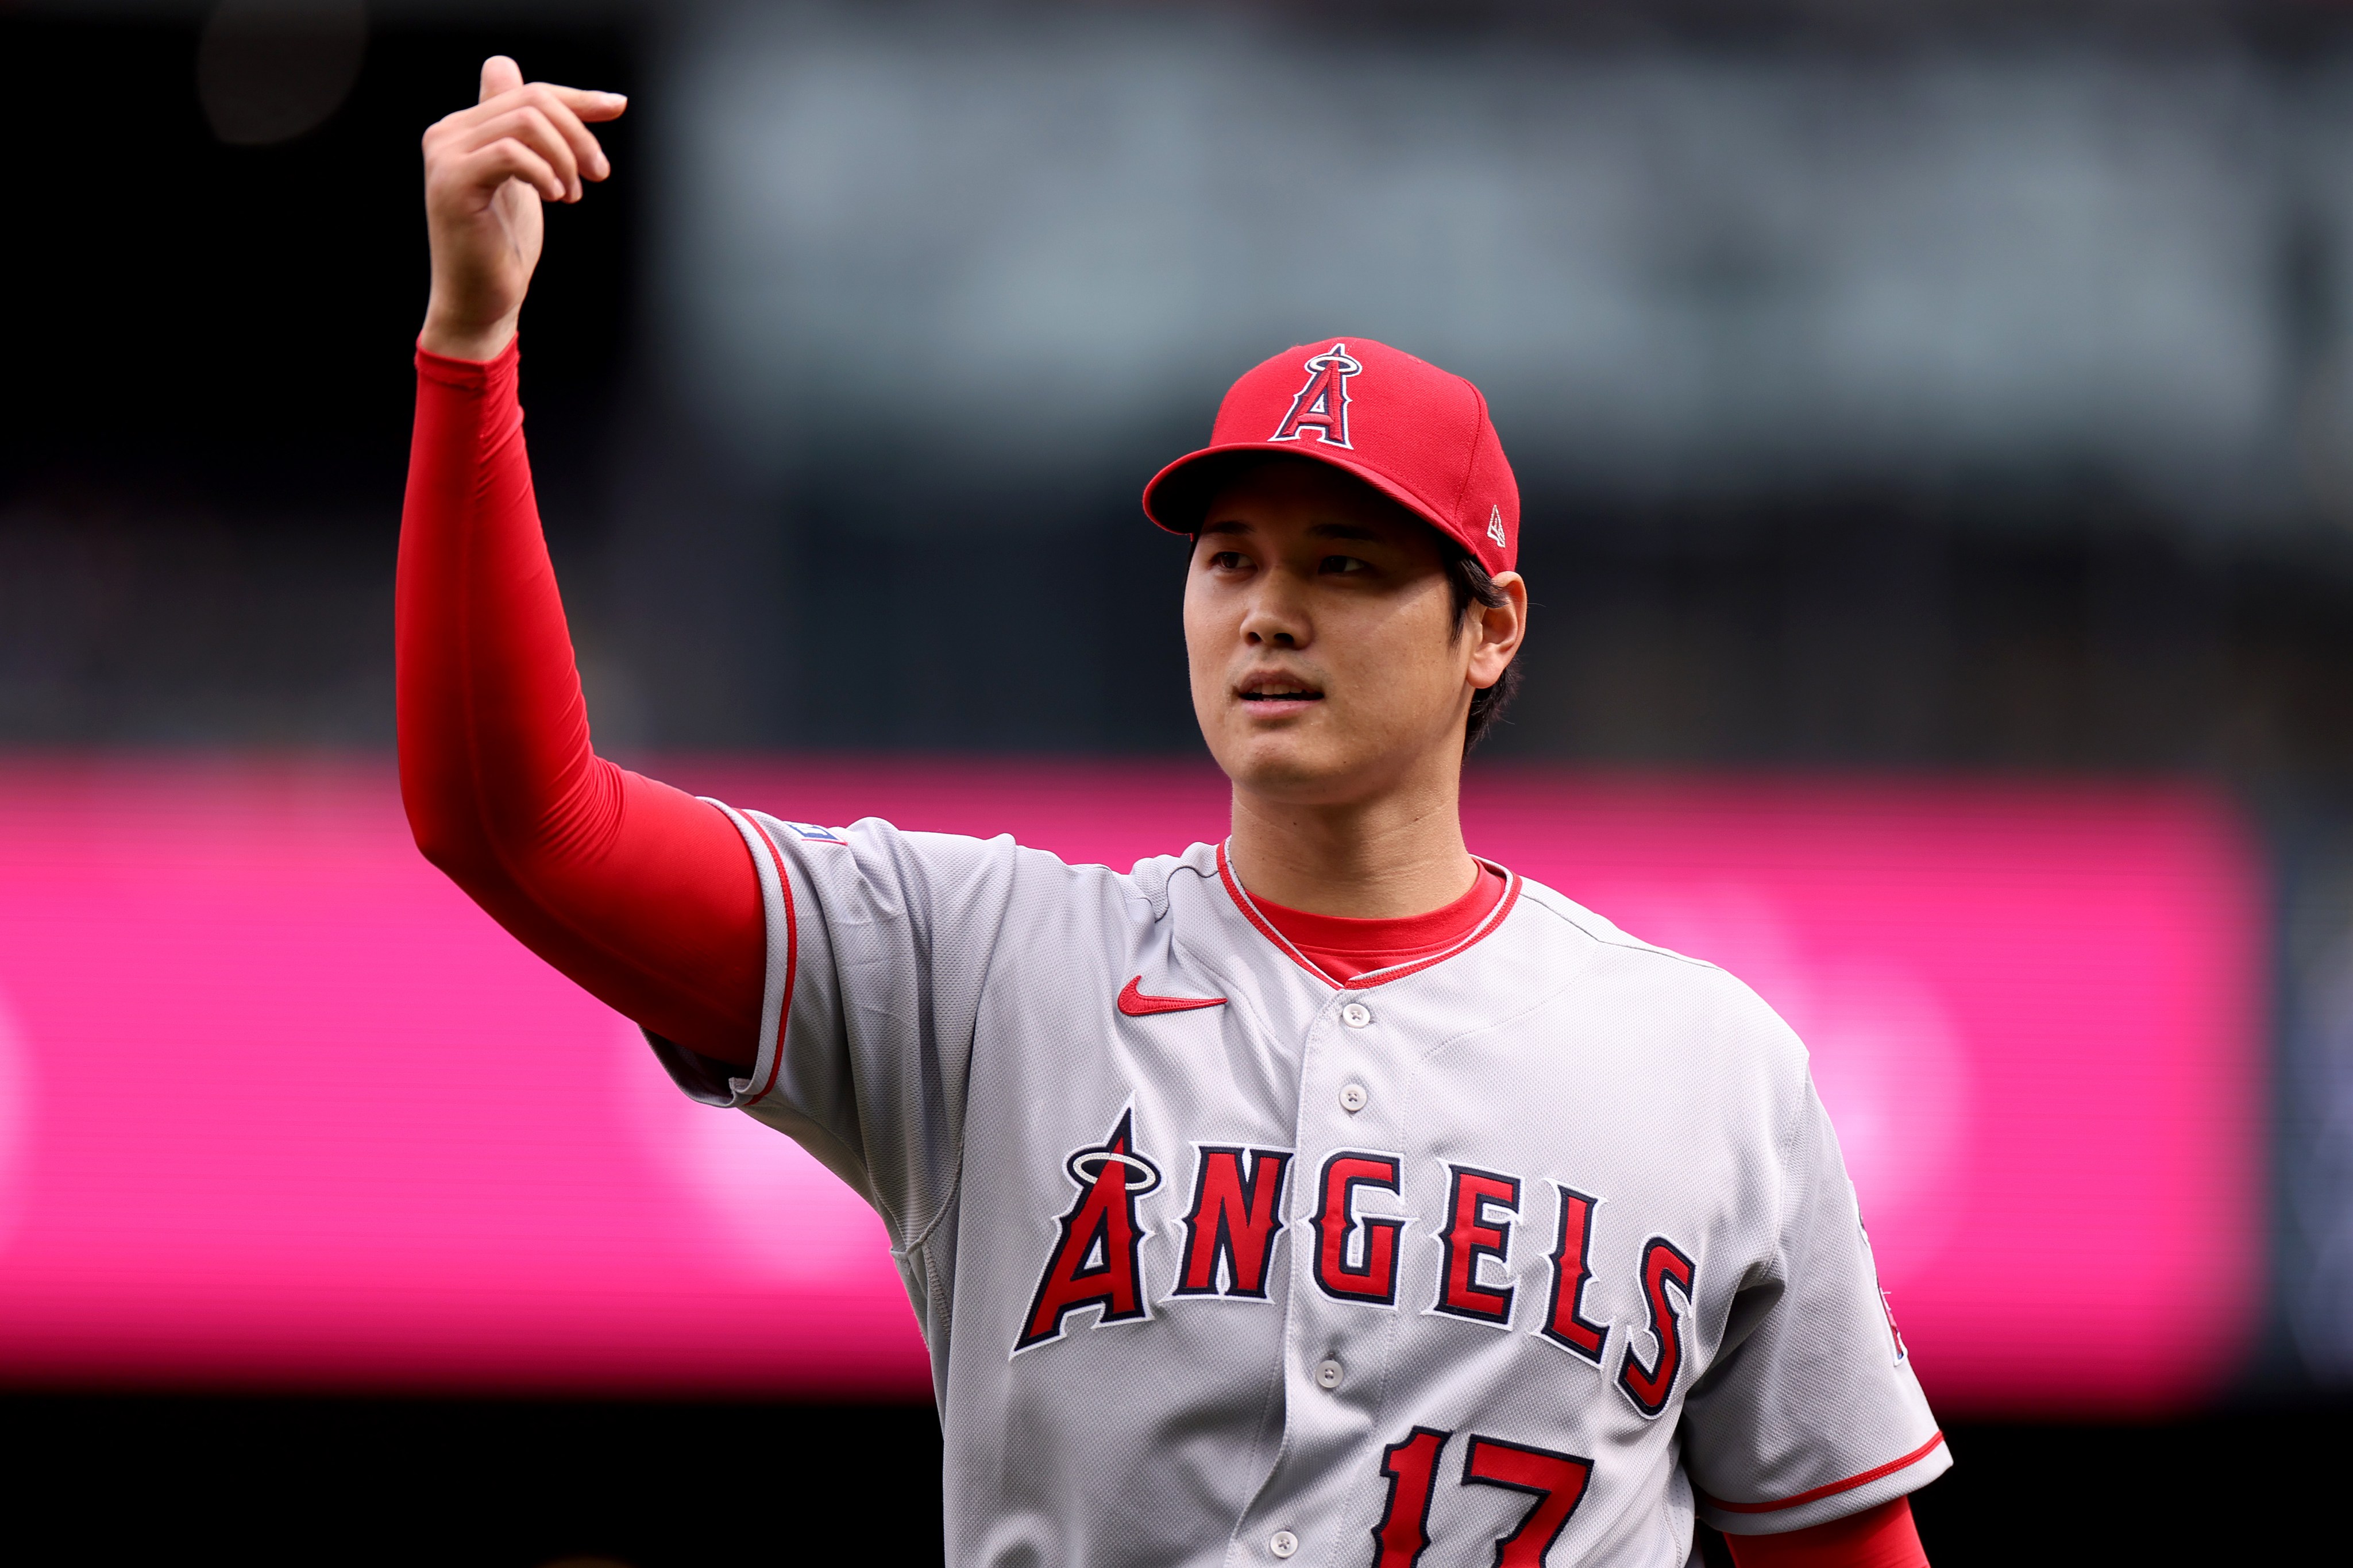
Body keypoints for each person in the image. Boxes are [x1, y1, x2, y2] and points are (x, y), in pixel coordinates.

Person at [400, 57, 1947, 1568]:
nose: (1271, 610)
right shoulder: (987, 969)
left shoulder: (1713, 1067)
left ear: (1494, 626)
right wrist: (472, 346)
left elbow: (1840, 1536)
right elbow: (519, 821)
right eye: (1232, 559)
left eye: (1347, 562)